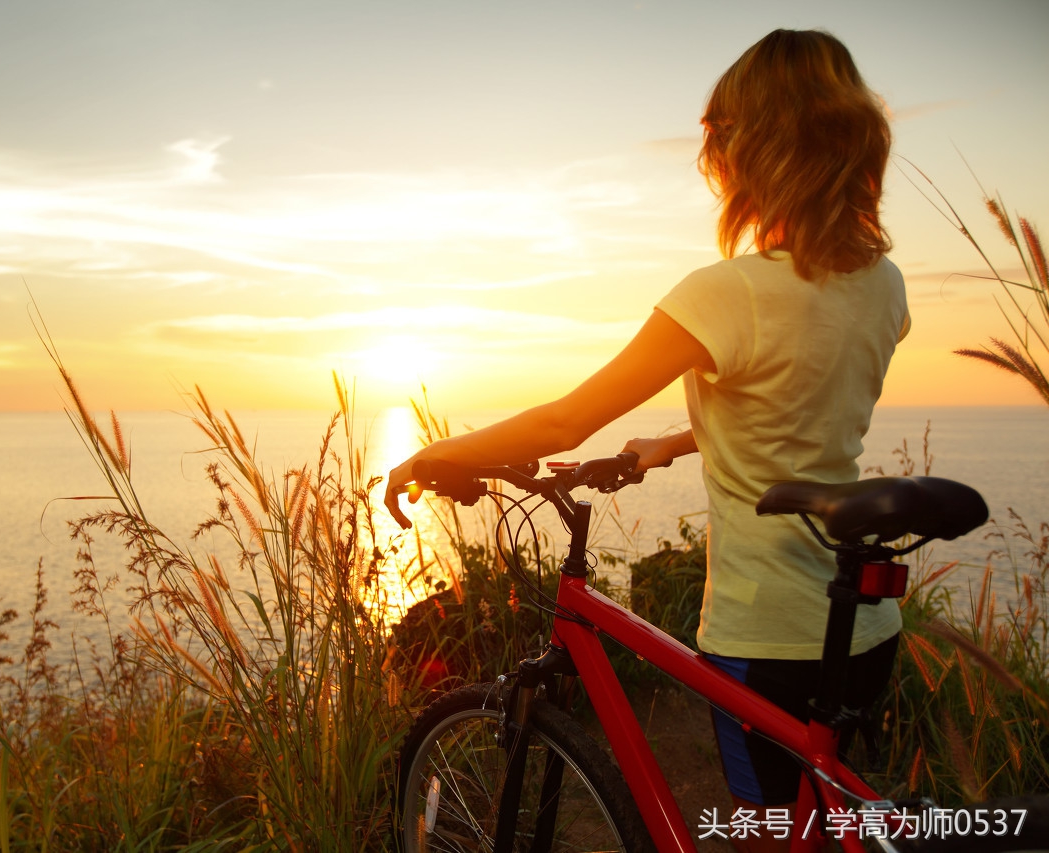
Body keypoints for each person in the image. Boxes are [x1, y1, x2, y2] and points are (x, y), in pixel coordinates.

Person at [384, 29, 906, 853]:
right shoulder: (884, 285)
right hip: (866, 627)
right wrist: (672, 439)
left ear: (758, 148)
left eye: (724, 137)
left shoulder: (726, 293)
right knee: (824, 826)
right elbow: (797, 408)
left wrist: (441, 453)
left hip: (765, 635)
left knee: (769, 836)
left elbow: (565, 421)